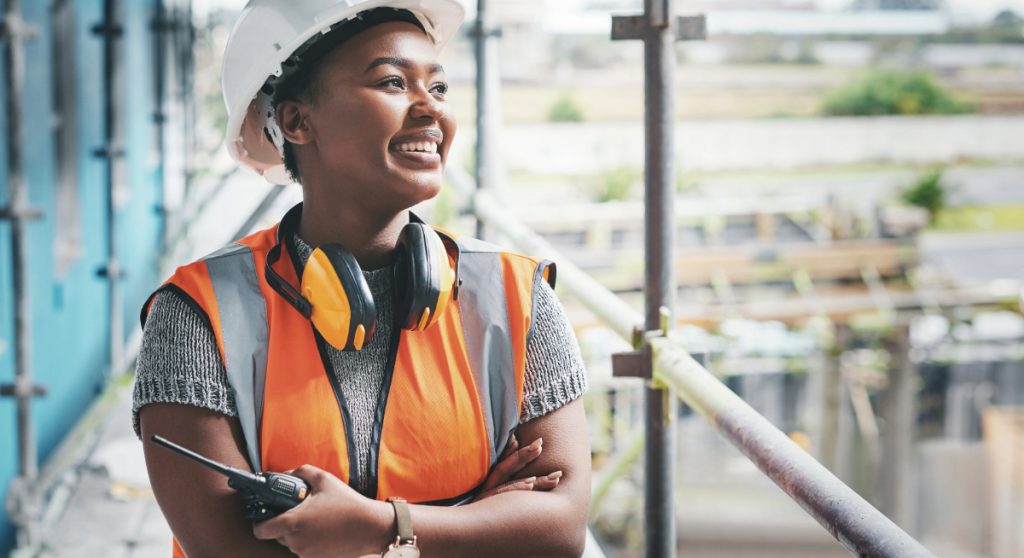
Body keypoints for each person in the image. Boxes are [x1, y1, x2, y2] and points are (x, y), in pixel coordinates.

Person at [132, 1, 592, 557]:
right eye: (394, 81)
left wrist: (381, 526)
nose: (431, 110)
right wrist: (470, 520)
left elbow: (559, 531)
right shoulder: (196, 314)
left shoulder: (516, 298)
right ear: (299, 121)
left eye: (440, 88)